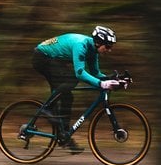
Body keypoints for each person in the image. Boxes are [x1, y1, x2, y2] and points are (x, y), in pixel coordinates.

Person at [32, 25, 120, 153]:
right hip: (42, 57)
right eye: (108, 46)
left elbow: (96, 74)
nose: (109, 50)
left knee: (68, 97)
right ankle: (47, 109)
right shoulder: (81, 45)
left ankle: (64, 136)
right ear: (98, 42)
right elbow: (80, 73)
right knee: (72, 79)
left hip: (54, 60)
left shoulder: (93, 51)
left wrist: (113, 79)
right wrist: (101, 84)